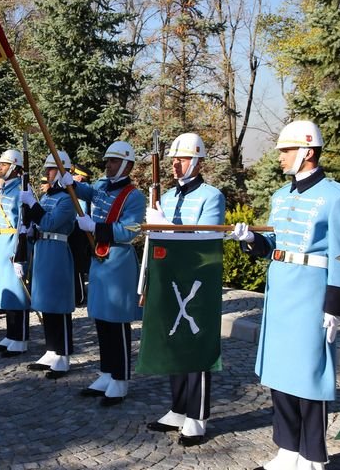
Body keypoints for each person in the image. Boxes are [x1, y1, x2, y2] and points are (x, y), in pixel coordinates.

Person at [230, 121, 340, 470]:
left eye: (286, 151)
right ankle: (288, 449)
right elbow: (275, 244)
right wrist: (251, 241)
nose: (281, 158)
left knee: (308, 373)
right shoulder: (280, 195)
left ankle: (313, 456)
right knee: (280, 371)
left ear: (306, 151)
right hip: (282, 290)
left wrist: (335, 306)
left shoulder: (337, 195)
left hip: (312, 293)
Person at [144, 133, 225, 446]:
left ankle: (197, 415)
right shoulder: (166, 197)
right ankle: (178, 407)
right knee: (174, 342)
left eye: (182, 159)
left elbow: (207, 241)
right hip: (171, 277)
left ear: (198, 161)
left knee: (196, 347)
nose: (175, 165)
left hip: (198, 280)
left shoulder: (211, 196)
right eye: (174, 160)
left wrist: (167, 227)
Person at [73, 142, 146, 406]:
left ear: (127, 165)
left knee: (116, 322)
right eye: (108, 160)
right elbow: (84, 191)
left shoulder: (134, 196)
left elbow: (130, 231)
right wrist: (65, 178)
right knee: (101, 319)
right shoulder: (102, 186)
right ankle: (106, 372)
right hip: (100, 260)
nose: (108, 164)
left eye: (114, 161)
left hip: (117, 259)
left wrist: (96, 226)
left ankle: (121, 378)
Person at [20, 150, 77, 379]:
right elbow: (40, 223)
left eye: (52, 169)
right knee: (46, 304)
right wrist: (30, 230)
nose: (47, 173)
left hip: (57, 251)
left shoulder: (67, 198)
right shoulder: (47, 197)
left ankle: (63, 355)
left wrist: (33, 205)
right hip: (42, 250)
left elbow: (52, 222)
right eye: (47, 169)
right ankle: (51, 350)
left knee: (59, 306)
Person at [0, 149, 30, 356]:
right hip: (3, 243)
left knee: (17, 293)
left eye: (3, 165)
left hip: (14, 245)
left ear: (14, 167)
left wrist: (20, 255)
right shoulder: (5, 189)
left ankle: (20, 338)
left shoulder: (22, 190)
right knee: (6, 292)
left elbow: (23, 226)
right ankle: (10, 334)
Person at [69, 163, 93, 306]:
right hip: (75, 228)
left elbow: (82, 211)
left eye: (74, 175)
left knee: (78, 264)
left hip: (80, 229)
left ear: (80, 177)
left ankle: (80, 295)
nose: (72, 177)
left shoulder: (84, 191)